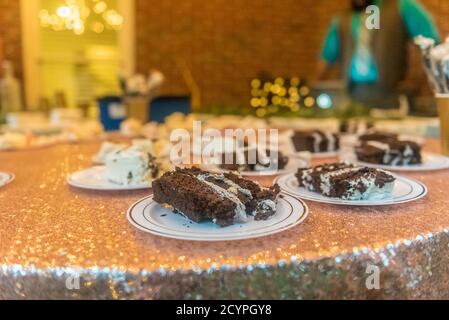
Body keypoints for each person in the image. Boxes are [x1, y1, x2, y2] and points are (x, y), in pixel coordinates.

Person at [317, 0, 439, 109]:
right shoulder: (343, 18)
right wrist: (315, 90)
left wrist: (417, 80)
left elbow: (431, 45)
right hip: (353, 95)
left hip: (391, 95)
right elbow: (326, 57)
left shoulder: (402, 6)